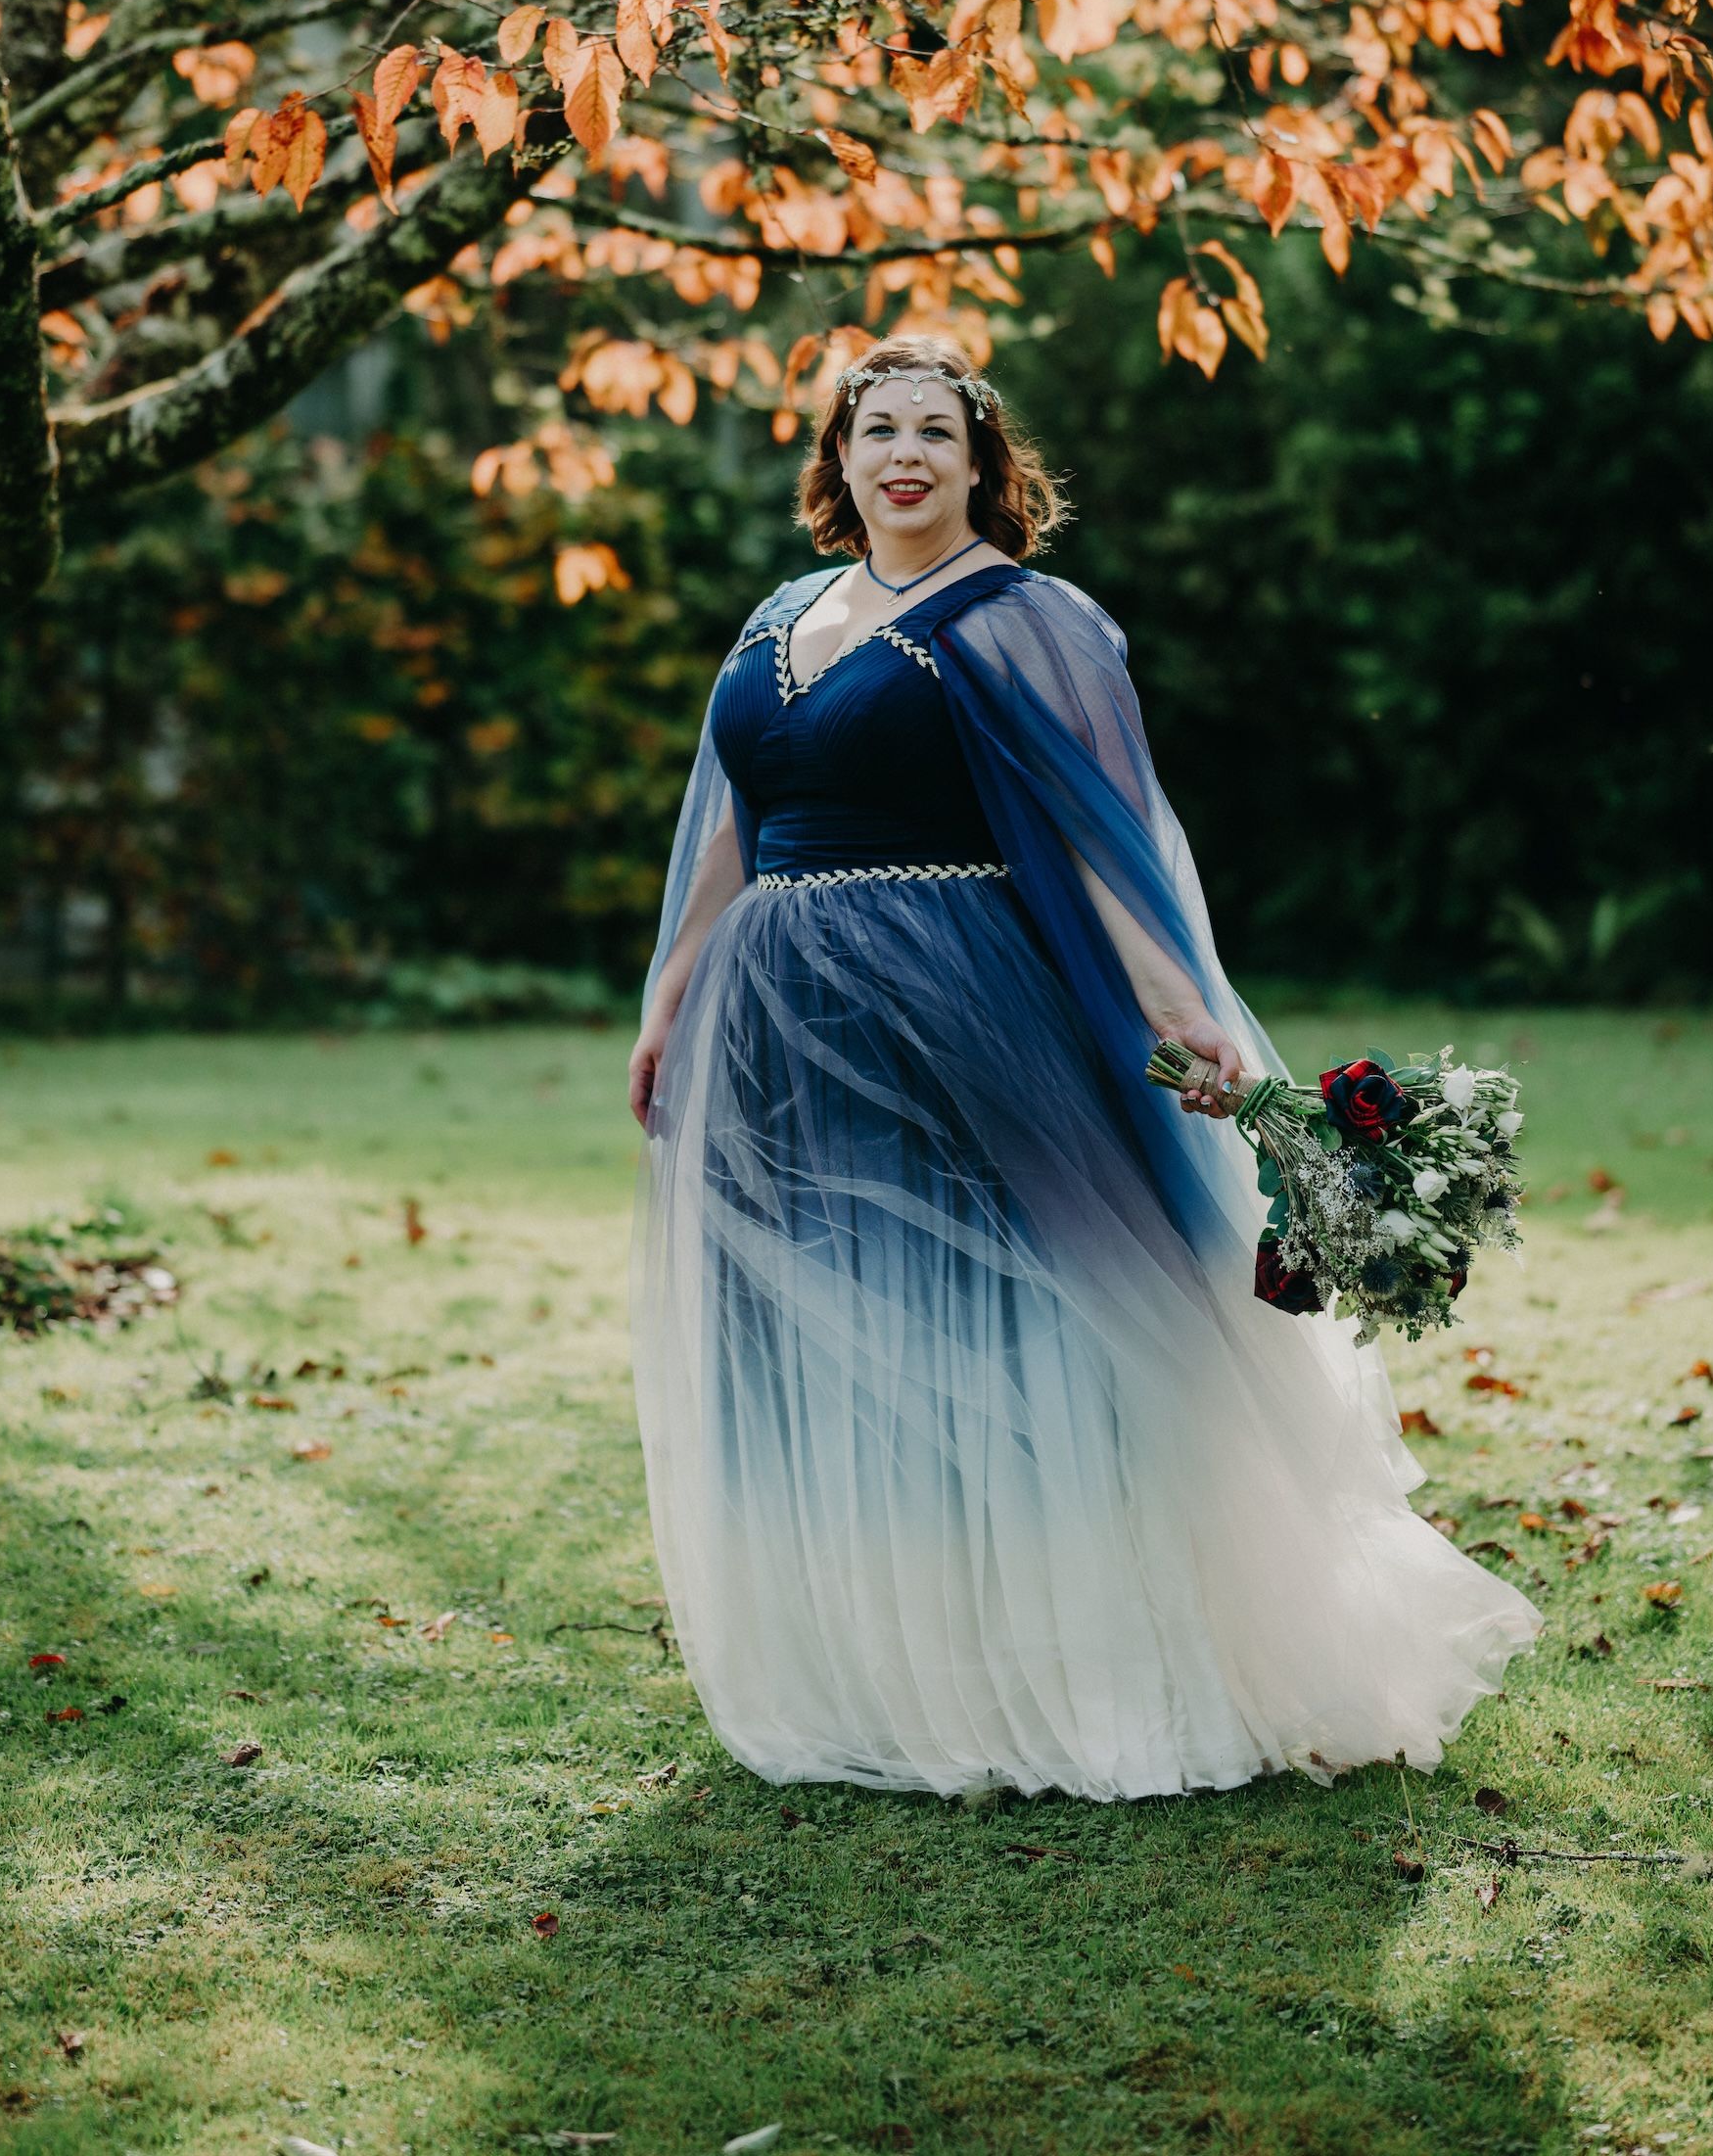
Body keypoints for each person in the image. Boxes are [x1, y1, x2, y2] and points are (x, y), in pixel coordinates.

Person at [628, 336, 1539, 1801]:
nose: (906, 453)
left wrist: (1190, 1014)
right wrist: (670, 999)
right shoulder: (783, 613)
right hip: (774, 1029)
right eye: (879, 429)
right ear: (839, 459)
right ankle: (888, 1662)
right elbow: (738, 822)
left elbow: (1105, 835)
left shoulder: (1029, 619)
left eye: (937, 430)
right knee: (829, 1331)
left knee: (1006, 1328)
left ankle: (1067, 1669)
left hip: (961, 1012)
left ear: (984, 464)